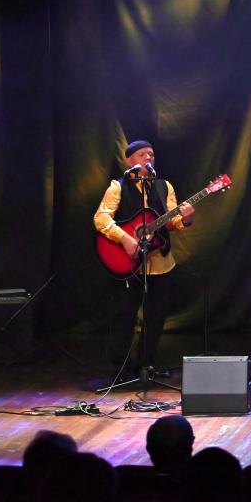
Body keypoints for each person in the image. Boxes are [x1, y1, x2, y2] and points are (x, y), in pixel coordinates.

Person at [94, 139, 194, 374]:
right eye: (142, 154)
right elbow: (101, 218)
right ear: (130, 161)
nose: (148, 158)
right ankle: (121, 369)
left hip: (160, 263)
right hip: (129, 263)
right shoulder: (117, 187)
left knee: (156, 317)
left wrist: (186, 218)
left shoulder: (164, 186)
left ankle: (146, 365)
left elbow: (171, 222)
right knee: (124, 317)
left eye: (151, 154)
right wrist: (125, 238)